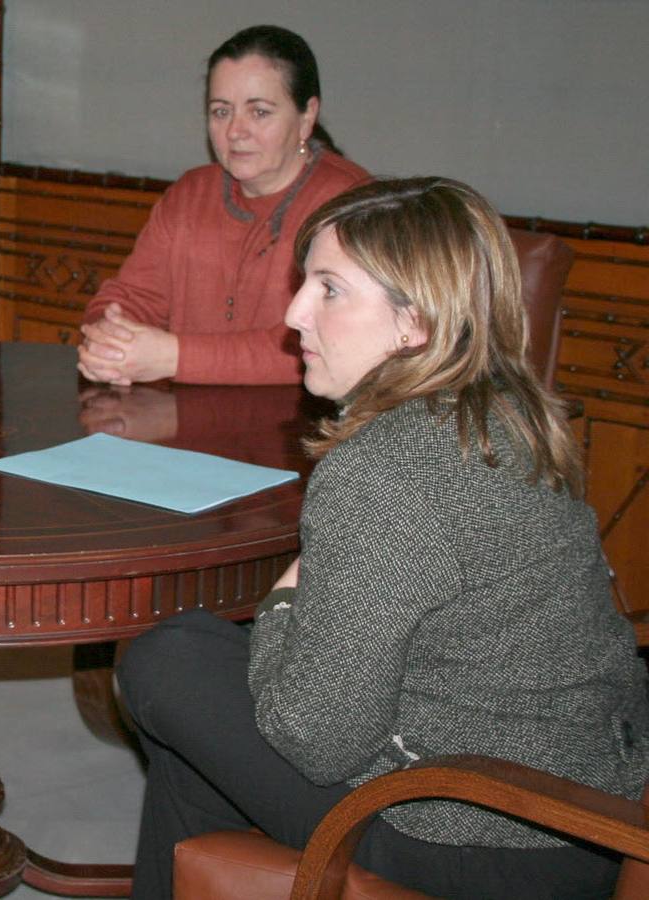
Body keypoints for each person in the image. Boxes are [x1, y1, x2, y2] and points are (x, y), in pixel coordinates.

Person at [114, 176, 649, 898]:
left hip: (469, 835)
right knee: (200, 726)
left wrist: (281, 604)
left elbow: (317, 738)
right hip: (589, 815)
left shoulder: (384, 473)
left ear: (415, 324)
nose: (295, 313)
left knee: (166, 659)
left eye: (329, 289)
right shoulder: (512, 415)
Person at [78, 25, 368, 386]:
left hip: (304, 430)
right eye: (220, 112)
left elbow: (321, 345)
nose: (235, 131)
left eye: (259, 112)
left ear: (307, 116)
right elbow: (130, 298)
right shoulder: (190, 194)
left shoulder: (352, 204)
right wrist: (109, 340)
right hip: (184, 424)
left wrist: (174, 356)